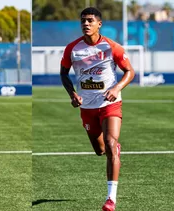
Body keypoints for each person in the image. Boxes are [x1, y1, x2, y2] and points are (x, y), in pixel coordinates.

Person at [60, 7, 135, 211]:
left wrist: (117, 87)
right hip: (87, 108)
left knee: (111, 144)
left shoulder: (111, 46)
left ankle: (111, 199)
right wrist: (72, 94)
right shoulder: (72, 49)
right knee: (100, 150)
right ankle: (113, 150)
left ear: (99, 24)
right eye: (83, 20)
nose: (86, 24)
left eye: (90, 20)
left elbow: (130, 71)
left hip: (110, 103)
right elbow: (64, 73)